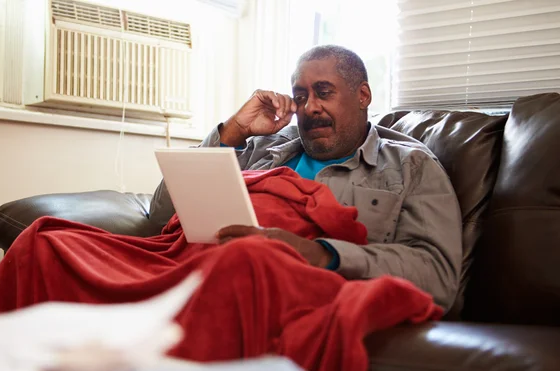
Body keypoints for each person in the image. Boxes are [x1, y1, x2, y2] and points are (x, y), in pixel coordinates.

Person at [150, 44, 462, 311]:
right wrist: (234, 130)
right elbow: (160, 216)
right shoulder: (262, 147)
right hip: (198, 273)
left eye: (324, 93)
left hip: (279, 292)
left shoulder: (410, 166)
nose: (310, 107)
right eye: (300, 97)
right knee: (99, 246)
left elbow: (438, 274)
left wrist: (318, 253)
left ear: (363, 95)